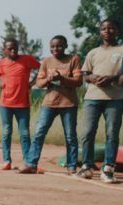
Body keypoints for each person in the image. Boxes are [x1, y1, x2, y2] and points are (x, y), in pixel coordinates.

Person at [22, 35, 82, 174]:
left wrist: (61, 78)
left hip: (68, 104)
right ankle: (31, 164)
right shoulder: (46, 61)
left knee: (70, 136)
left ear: (66, 46)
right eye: (53, 46)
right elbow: (39, 83)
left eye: (59, 46)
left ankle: (71, 166)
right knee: (39, 133)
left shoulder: (73, 59)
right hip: (49, 103)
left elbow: (78, 81)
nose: (56, 49)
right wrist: (48, 79)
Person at [76, 18, 123, 183]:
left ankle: (108, 168)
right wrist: (91, 77)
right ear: (99, 32)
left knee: (112, 133)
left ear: (117, 31)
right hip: (92, 98)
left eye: (111, 28)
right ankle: (87, 166)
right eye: (104, 28)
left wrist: (112, 78)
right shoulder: (93, 52)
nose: (107, 31)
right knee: (87, 132)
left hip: (115, 98)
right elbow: (85, 74)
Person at [0, 39, 40, 170]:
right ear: (4, 50)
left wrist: (32, 83)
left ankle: (28, 162)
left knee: (25, 134)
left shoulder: (27, 59)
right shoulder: (1, 64)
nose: (13, 51)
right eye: (10, 48)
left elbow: (42, 68)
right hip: (6, 104)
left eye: (15, 48)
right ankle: (6, 161)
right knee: (6, 132)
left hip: (23, 104)